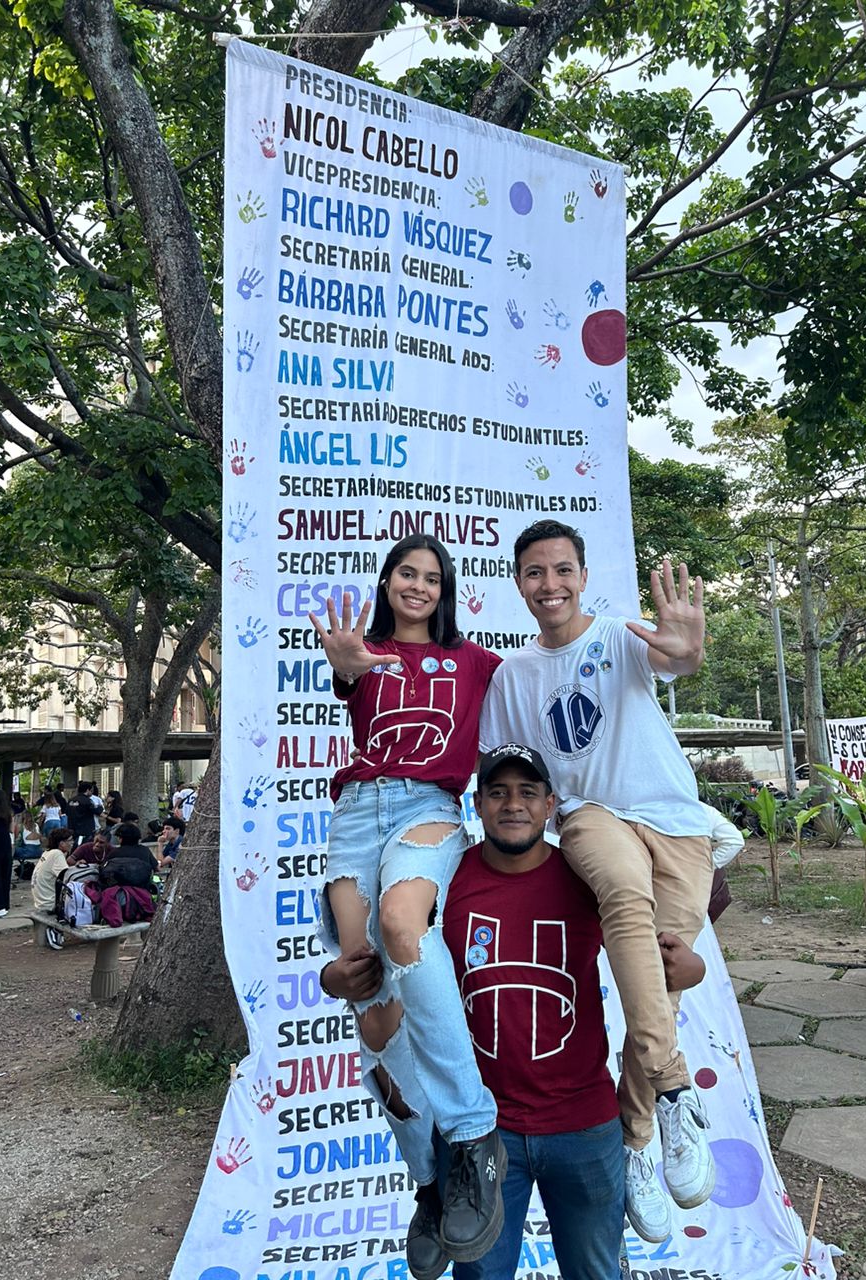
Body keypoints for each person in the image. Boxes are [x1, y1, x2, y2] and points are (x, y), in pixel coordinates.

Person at [323, 744, 707, 1280]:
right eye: (497, 793)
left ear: (551, 804)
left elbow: (662, 939)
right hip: (482, 1134)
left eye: (528, 792)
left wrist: (693, 969)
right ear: (475, 805)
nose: (513, 805)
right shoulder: (442, 879)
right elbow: (379, 954)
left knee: (598, 1272)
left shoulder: (589, 875)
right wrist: (331, 978)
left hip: (585, 1124)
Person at [479, 520, 714, 1243]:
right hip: (591, 815)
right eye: (534, 573)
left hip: (677, 822)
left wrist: (688, 648)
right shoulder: (513, 675)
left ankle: (637, 1138)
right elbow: (499, 770)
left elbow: (681, 659)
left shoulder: (621, 638)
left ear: (582, 576)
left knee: (664, 977)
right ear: (518, 583)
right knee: (621, 894)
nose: (549, 585)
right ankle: (674, 1087)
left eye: (561, 571)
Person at [308, 534, 506, 1267]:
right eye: (406, 575)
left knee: (403, 924)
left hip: (428, 806)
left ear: (445, 588)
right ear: (388, 582)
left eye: (430, 577)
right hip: (356, 812)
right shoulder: (360, 653)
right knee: (375, 1014)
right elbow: (346, 671)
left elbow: (542, 688)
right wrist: (344, 668)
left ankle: (474, 1133)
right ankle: (428, 1182)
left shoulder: (476, 661)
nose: (418, 586)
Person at [0, 789, 14, 918]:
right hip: (5, 843)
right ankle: (5, 905)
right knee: (5, 874)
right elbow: (11, 830)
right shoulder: (8, 813)